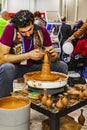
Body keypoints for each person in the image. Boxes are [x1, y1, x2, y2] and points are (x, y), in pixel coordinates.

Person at [0, 10, 68, 98]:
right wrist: (28, 55)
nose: (27, 34)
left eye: (30, 30)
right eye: (23, 32)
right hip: (16, 67)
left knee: (61, 65)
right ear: (17, 28)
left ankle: (57, 98)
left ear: (33, 23)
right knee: (6, 68)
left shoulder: (42, 31)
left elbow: (52, 57)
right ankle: (5, 102)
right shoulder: (10, 29)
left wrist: (54, 56)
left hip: (35, 66)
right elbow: (2, 58)